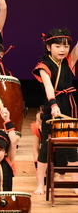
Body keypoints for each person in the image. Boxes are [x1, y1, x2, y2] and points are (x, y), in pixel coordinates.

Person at [32, 28, 78, 195]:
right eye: (58, 46)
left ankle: (75, 185)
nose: (62, 49)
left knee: (71, 147)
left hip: (69, 106)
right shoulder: (43, 66)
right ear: (48, 47)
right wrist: (53, 105)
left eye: (66, 46)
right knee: (46, 147)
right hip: (52, 107)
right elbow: (49, 88)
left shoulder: (69, 61)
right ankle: (39, 184)